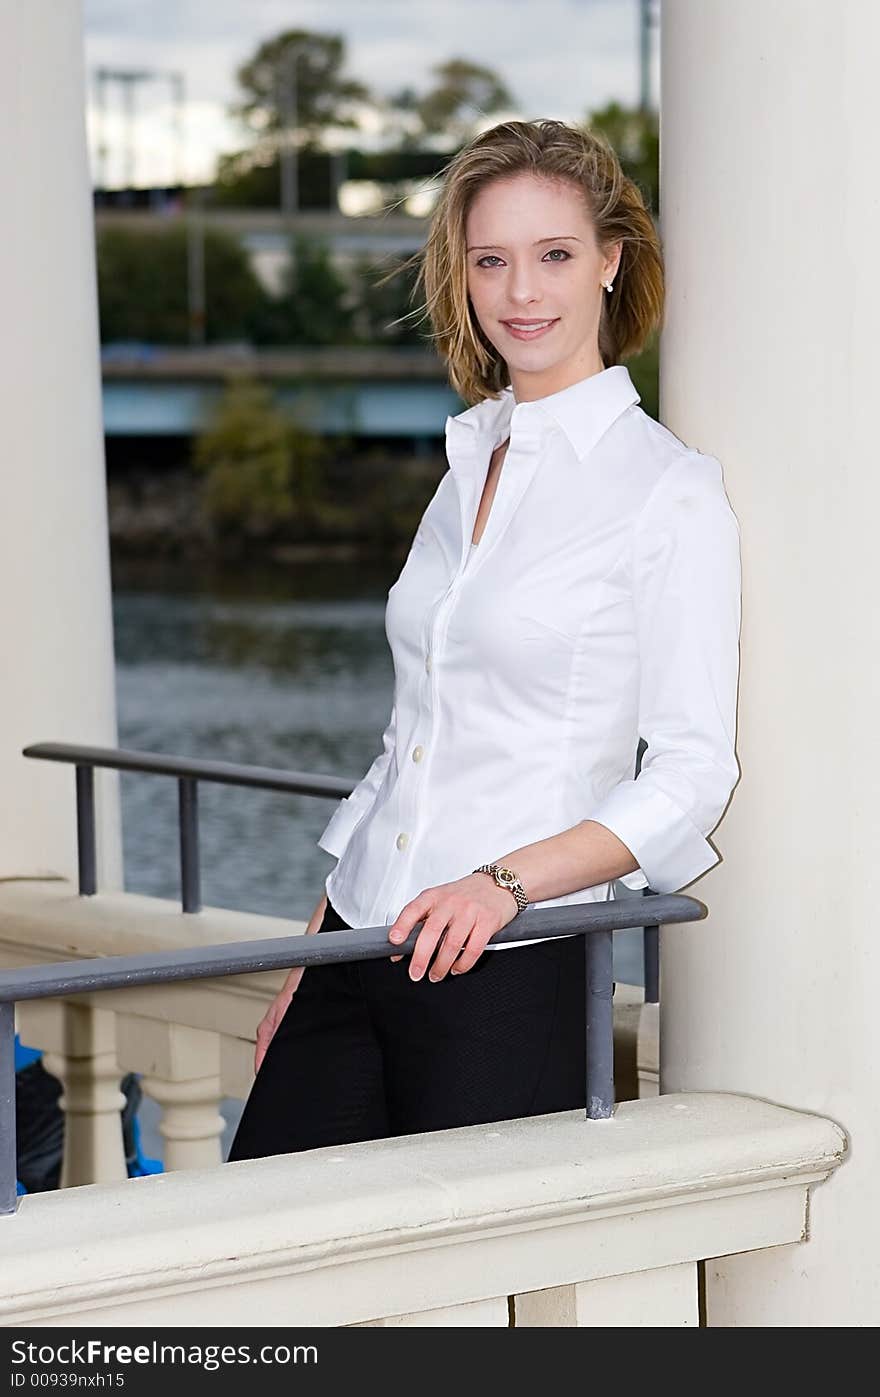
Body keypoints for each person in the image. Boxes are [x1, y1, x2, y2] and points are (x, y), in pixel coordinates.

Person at [227, 118, 741, 1162]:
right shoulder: (469, 463)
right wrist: (314, 947)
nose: (521, 292)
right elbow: (410, 737)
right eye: (490, 260)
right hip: (363, 939)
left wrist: (500, 883)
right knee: (262, 1245)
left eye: (553, 255)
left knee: (456, 1311)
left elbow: (691, 770)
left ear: (610, 260)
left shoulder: (665, 492)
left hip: (510, 961)